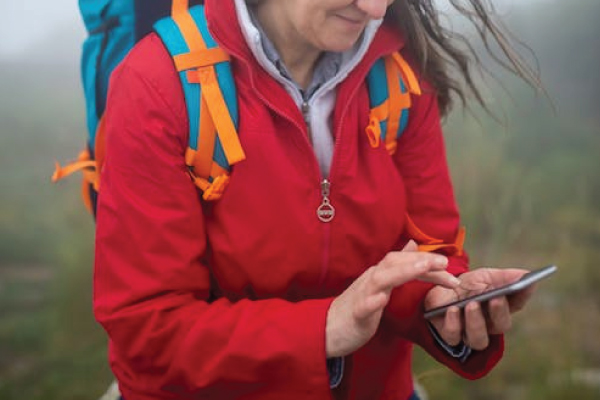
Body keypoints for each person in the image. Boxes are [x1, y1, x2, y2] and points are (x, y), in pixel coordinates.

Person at [93, 0, 539, 399]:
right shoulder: (157, 84)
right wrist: (324, 329)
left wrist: (441, 303)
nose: (377, 8)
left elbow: (430, 250)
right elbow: (148, 329)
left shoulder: (398, 75)